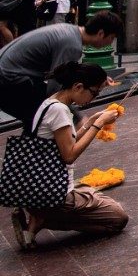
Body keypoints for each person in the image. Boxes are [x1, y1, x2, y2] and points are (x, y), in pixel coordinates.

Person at [8, 61, 128, 251]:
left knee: (96, 197)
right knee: (118, 218)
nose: (93, 98)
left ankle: (40, 217)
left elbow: (67, 142)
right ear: (78, 86)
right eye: (94, 92)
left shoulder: (51, 102)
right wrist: (98, 125)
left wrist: (93, 120)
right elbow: (69, 155)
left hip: (39, 189)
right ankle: (42, 219)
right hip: (53, 194)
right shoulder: (60, 111)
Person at [0, 12, 121, 131]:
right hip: (9, 80)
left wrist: (97, 79)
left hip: (11, 74)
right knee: (43, 117)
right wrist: (77, 119)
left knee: (39, 119)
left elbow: (69, 71)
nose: (110, 43)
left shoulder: (70, 31)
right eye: (111, 38)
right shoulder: (72, 45)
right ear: (101, 33)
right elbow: (55, 90)